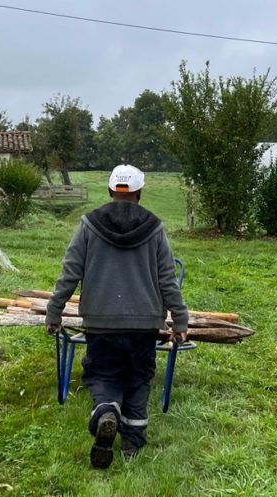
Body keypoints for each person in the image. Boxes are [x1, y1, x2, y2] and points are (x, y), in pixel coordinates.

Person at [46, 164, 189, 469]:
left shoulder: (88, 224)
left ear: (111, 191)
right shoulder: (155, 227)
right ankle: (131, 446)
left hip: (100, 322)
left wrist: (54, 313)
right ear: (139, 192)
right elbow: (167, 280)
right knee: (138, 379)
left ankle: (106, 411)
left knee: (102, 375)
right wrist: (179, 321)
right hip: (144, 324)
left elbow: (69, 273)